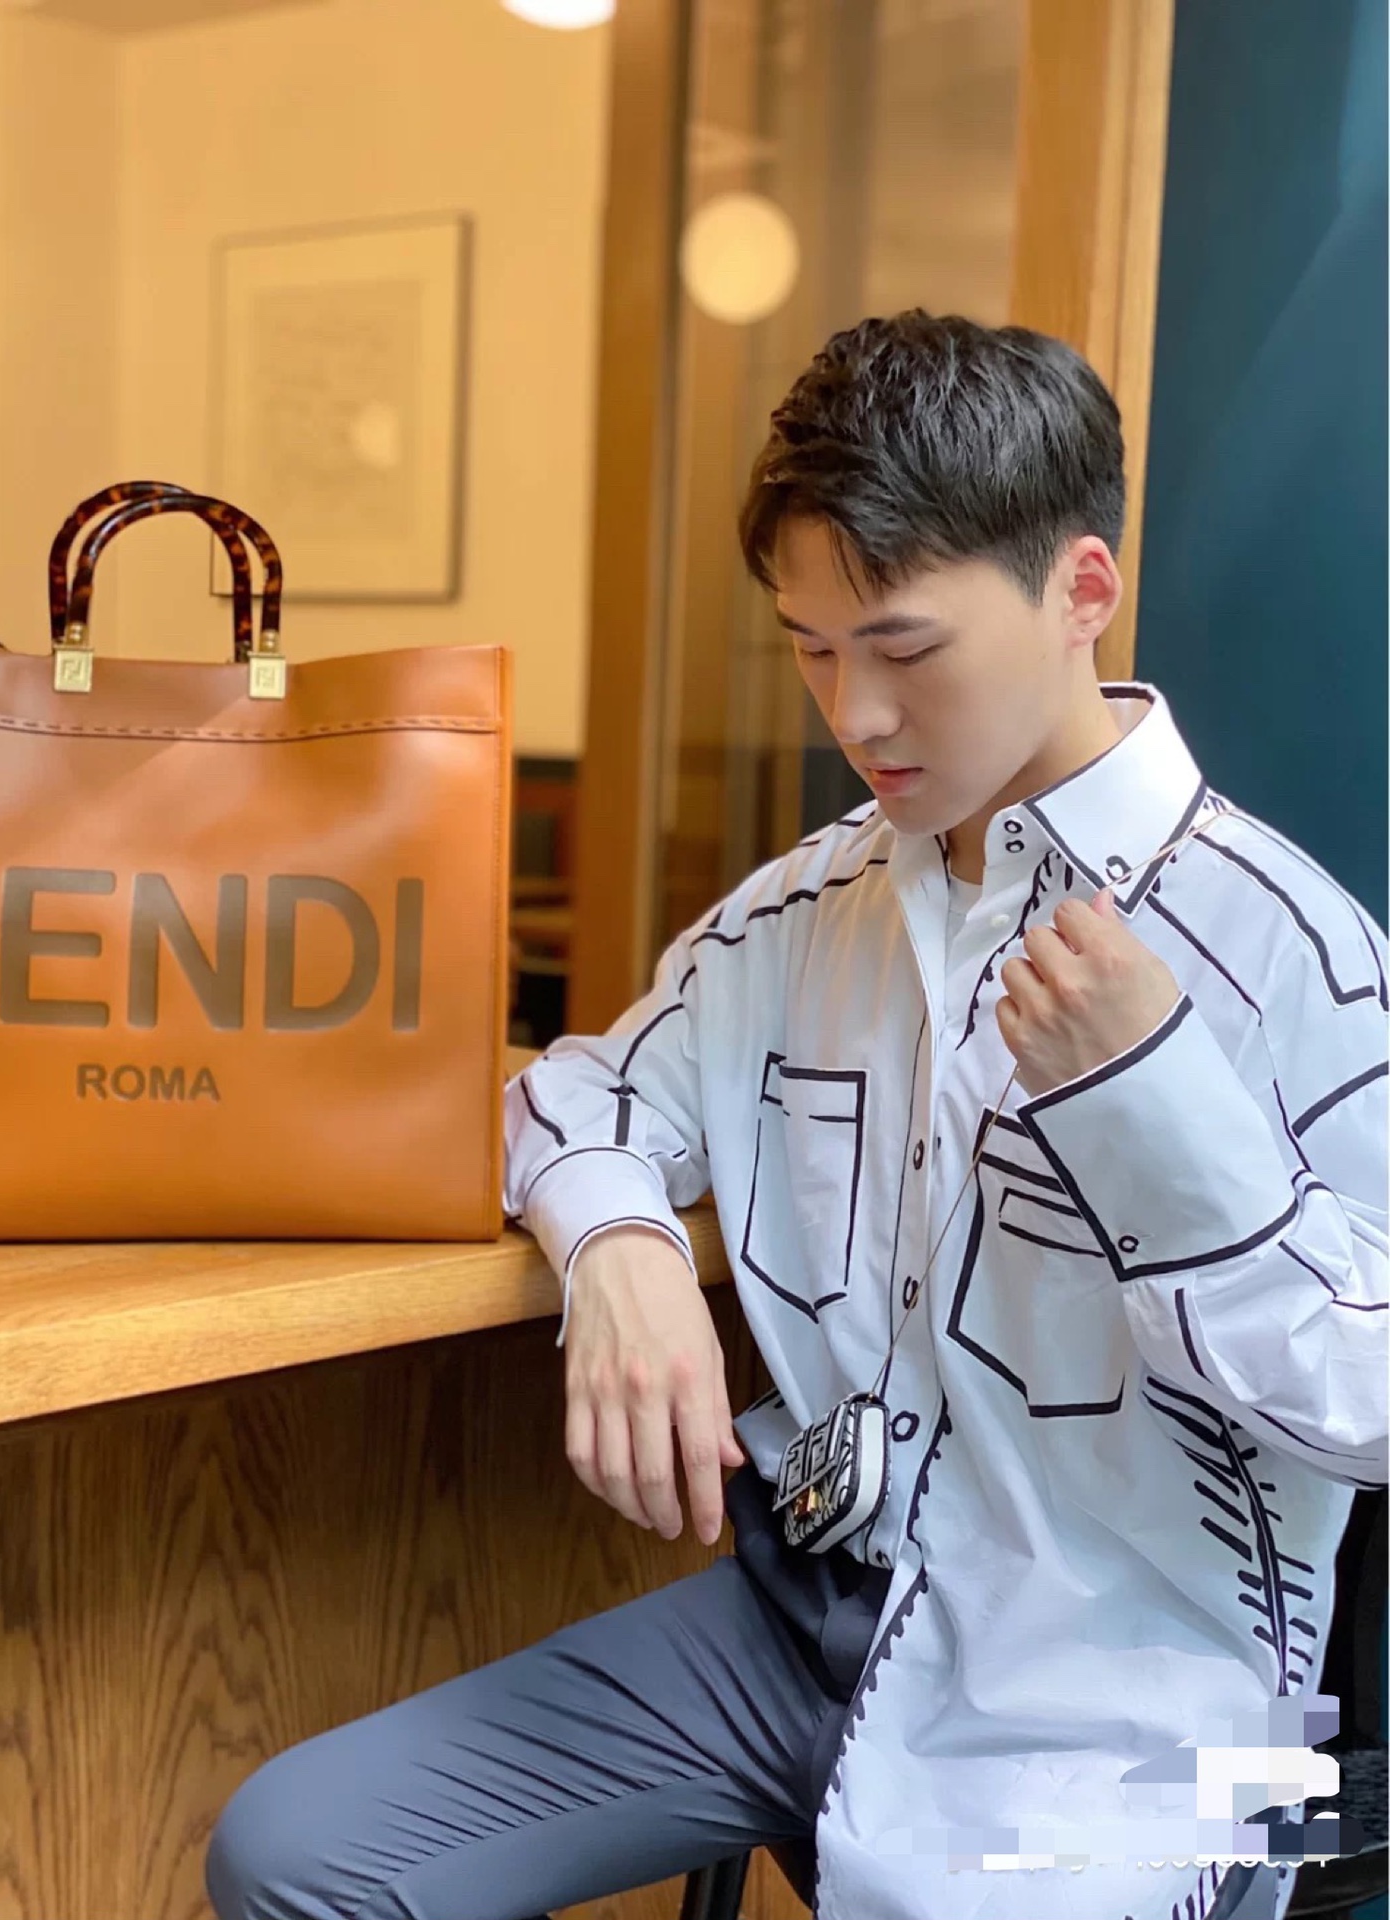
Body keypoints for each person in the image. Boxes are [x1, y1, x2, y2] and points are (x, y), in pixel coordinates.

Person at [205, 312, 1388, 1920]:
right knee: (298, 1852)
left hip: (1139, 1701)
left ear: (1082, 592)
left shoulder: (1291, 952)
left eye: (903, 648)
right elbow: (576, 1092)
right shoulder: (801, 912)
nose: (856, 714)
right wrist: (618, 1253)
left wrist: (1158, 1121)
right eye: (812, 649)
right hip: (796, 1619)